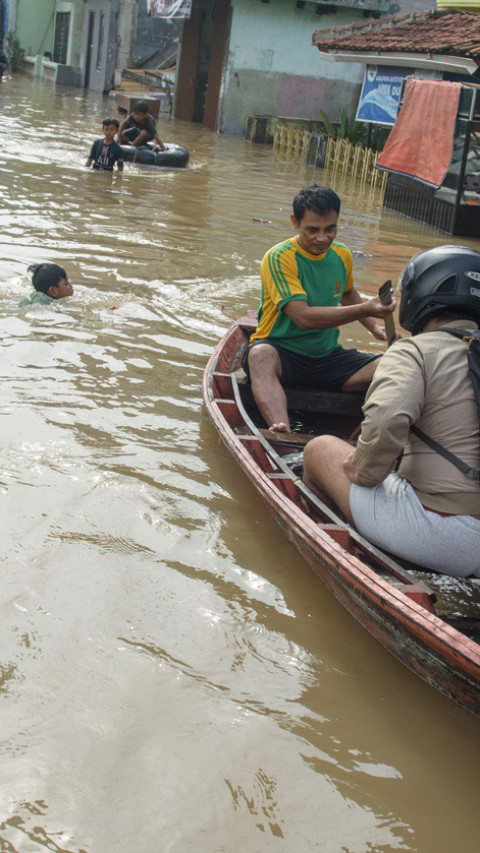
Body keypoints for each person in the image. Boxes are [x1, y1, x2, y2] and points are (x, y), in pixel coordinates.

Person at [303, 244, 480, 578]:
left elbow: (385, 423)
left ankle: (335, 561)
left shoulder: (415, 351)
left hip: (447, 534)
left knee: (319, 450)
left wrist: (362, 471)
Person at [243, 184, 396, 432]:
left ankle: (365, 434)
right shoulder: (279, 257)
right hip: (283, 353)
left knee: (398, 365)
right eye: (312, 230)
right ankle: (281, 428)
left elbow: (347, 293)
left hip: (326, 357)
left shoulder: (342, 254)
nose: (322, 238)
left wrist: (375, 328)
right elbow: (302, 317)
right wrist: (367, 309)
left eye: (330, 229)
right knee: (259, 356)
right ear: (295, 222)